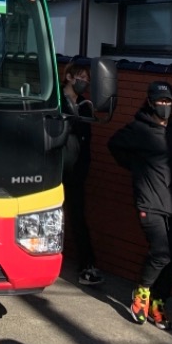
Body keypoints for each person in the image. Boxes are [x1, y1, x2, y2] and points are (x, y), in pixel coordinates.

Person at [108, 79, 172, 331]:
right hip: (151, 201)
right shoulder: (138, 128)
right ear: (149, 102)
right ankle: (142, 291)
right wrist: (138, 169)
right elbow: (114, 145)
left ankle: (159, 302)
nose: (164, 105)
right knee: (161, 253)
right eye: (160, 101)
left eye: (168, 101)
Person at [61, 58, 104, 287]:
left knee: (78, 217)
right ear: (69, 77)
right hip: (55, 170)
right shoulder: (56, 100)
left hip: (76, 172)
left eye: (87, 79)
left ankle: (87, 266)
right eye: (81, 77)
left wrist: (84, 166)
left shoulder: (85, 106)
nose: (84, 82)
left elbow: (86, 142)